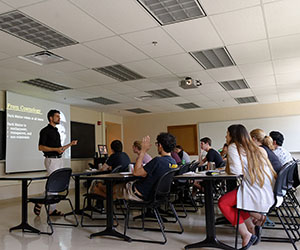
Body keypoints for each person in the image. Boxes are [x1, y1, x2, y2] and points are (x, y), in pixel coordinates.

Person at [218, 124, 276, 249]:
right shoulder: (255, 147)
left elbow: (237, 171)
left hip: (254, 189)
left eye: (227, 133)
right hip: (265, 188)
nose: (225, 136)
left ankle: (246, 234)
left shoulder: (233, 147)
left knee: (223, 203)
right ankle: (251, 227)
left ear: (233, 135)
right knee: (235, 202)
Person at [91, 132, 178, 202]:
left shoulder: (158, 161)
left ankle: (97, 189)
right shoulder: (174, 163)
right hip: (156, 194)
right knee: (112, 193)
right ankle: (101, 190)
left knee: (110, 190)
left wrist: (143, 151)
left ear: (160, 145)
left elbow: (136, 173)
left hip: (139, 192)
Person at [36, 109, 78, 216]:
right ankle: (50, 209)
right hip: (51, 160)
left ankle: (43, 204)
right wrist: (55, 150)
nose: (59, 118)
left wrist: (70, 144)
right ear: (51, 118)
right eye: (57, 116)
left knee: (57, 185)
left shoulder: (56, 131)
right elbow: (40, 147)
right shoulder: (44, 131)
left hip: (59, 159)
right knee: (53, 185)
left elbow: (59, 148)